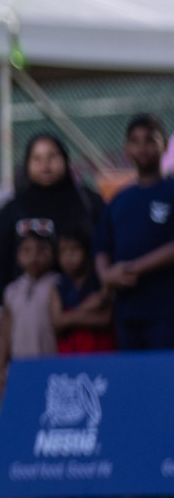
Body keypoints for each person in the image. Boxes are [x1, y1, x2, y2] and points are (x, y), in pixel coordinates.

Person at [0, 133, 102, 314]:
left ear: (64, 159)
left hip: (82, 303)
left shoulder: (88, 202)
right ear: (27, 163)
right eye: (37, 158)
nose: (45, 165)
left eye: (52, 156)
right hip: (27, 309)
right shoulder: (14, 209)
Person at [96, 114, 174, 351]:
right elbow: (101, 246)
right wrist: (107, 275)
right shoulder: (119, 200)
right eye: (135, 141)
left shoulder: (171, 191)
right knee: (133, 379)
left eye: (150, 140)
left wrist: (134, 268)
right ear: (127, 148)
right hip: (127, 310)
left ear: (164, 145)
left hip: (166, 309)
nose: (143, 148)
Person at [0, 229, 59, 404]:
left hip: (51, 363)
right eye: (27, 250)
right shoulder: (12, 291)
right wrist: (0, 371)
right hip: (21, 367)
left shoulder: (57, 284)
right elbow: (5, 336)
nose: (34, 257)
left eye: (41, 250)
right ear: (18, 255)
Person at [51, 226, 115, 354]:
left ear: (87, 251)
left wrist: (67, 318)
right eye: (63, 251)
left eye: (74, 250)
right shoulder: (58, 286)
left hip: (101, 354)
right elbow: (56, 323)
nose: (68, 257)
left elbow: (105, 319)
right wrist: (86, 308)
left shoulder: (100, 281)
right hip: (69, 357)